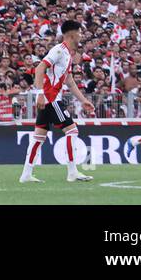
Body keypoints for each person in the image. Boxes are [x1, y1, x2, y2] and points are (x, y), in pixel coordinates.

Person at [20, 20, 95, 184]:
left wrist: (83, 100)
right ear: (72, 34)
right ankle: (72, 172)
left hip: (49, 98)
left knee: (38, 137)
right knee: (72, 131)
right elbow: (40, 68)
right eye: (80, 32)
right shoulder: (59, 51)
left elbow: (69, 80)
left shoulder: (68, 53)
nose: (81, 36)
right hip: (51, 98)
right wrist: (40, 93)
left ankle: (26, 174)